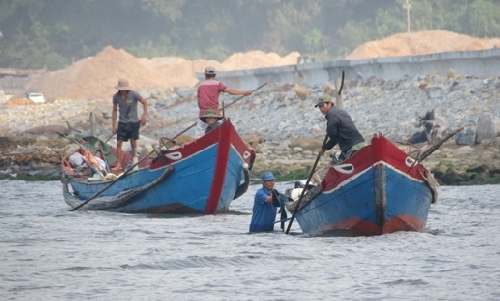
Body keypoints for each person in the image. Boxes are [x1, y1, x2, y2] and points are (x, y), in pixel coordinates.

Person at [196, 66, 252, 138]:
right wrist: (244, 92)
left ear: (205, 75)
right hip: (214, 112)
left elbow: (199, 102)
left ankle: (200, 144)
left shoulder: (200, 86)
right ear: (215, 75)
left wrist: (202, 110)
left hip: (203, 113)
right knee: (219, 127)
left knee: (199, 132)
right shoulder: (218, 84)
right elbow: (230, 91)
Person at [315, 94, 365, 161]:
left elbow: (332, 135)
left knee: (343, 166)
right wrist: (325, 148)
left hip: (353, 147)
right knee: (339, 163)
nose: (321, 108)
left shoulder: (331, 114)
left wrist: (329, 131)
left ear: (329, 103)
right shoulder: (339, 112)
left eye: (322, 106)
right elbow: (335, 138)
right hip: (357, 144)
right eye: (319, 107)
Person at [111, 78, 147, 171]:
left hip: (134, 122)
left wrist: (144, 116)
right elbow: (114, 110)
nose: (122, 90)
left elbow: (144, 102)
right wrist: (113, 125)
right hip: (122, 123)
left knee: (133, 142)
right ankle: (119, 164)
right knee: (119, 143)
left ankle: (134, 162)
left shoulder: (134, 94)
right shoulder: (116, 97)